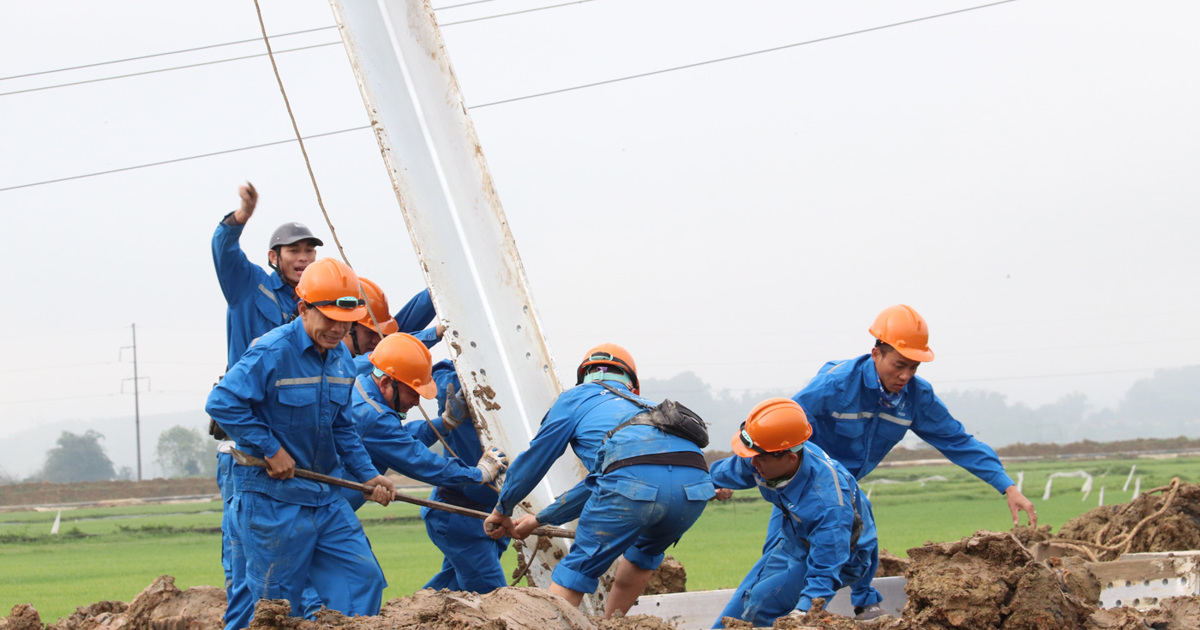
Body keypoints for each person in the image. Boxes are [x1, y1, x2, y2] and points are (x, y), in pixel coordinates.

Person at [729, 304, 1038, 621]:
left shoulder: (915, 397)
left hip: (844, 491)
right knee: (776, 570)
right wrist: (729, 476)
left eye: (914, 367)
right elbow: (774, 430)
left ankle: (857, 603)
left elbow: (957, 440)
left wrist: (1008, 486)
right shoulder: (834, 386)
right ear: (876, 353)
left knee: (856, 542)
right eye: (899, 365)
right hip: (802, 491)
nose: (906, 375)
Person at [206, 257, 397, 629]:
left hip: (322, 497)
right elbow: (222, 402)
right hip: (271, 500)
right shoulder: (272, 352)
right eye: (328, 318)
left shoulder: (340, 355)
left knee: (362, 580)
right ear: (303, 308)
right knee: (278, 608)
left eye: (346, 322)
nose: (338, 329)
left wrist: (368, 476)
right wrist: (270, 449)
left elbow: (342, 426)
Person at [483, 344, 715, 617]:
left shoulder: (575, 399)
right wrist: (537, 520)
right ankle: (610, 624)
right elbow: (603, 483)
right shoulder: (649, 409)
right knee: (643, 556)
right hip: (695, 488)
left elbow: (535, 461)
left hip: (631, 480)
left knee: (577, 570)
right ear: (632, 384)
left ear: (585, 377)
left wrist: (503, 509)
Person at [708, 398, 878, 628]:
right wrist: (700, 485)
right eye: (750, 455)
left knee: (762, 603)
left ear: (790, 456)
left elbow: (826, 567)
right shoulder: (764, 454)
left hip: (844, 554)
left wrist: (803, 611)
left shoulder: (827, 504)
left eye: (759, 458)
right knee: (750, 598)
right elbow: (725, 472)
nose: (752, 463)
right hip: (797, 537)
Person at [340, 333, 507, 514]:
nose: (416, 402)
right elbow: (421, 462)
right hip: (324, 510)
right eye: (412, 392)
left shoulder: (360, 387)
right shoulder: (373, 417)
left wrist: (445, 423)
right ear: (387, 382)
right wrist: (479, 474)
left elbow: (397, 439)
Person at [410, 361, 509, 592]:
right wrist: (471, 385)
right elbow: (442, 375)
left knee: (454, 586)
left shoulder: (516, 390)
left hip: (492, 513)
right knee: (490, 595)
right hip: (460, 515)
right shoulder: (456, 380)